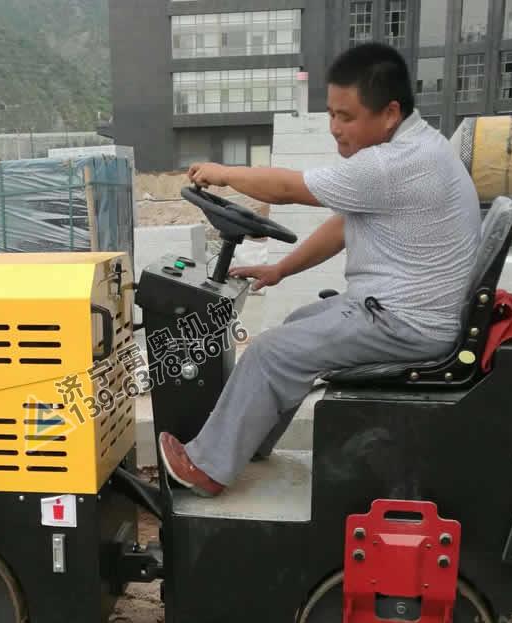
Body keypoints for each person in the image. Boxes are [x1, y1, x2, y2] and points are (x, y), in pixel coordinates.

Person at [158, 43, 482, 498]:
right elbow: (343, 227)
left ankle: (208, 469)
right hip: (403, 311)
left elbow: (288, 189)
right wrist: (280, 270)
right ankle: (248, 443)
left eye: (346, 117)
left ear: (390, 113)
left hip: (404, 323)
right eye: (331, 114)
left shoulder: (395, 164)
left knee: (269, 352)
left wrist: (223, 173)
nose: (334, 128)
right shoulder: (418, 149)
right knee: (296, 324)